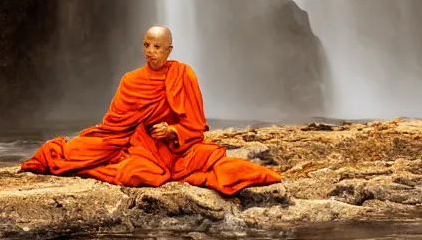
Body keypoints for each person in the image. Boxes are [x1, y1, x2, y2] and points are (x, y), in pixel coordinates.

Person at [21, 26, 281, 195]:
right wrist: (126, 138)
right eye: (147, 45)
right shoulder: (130, 80)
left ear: (169, 50)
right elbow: (113, 125)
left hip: (175, 148)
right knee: (74, 152)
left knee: (213, 161)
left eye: (157, 47)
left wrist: (172, 132)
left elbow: (195, 125)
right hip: (133, 142)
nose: (150, 52)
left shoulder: (183, 75)